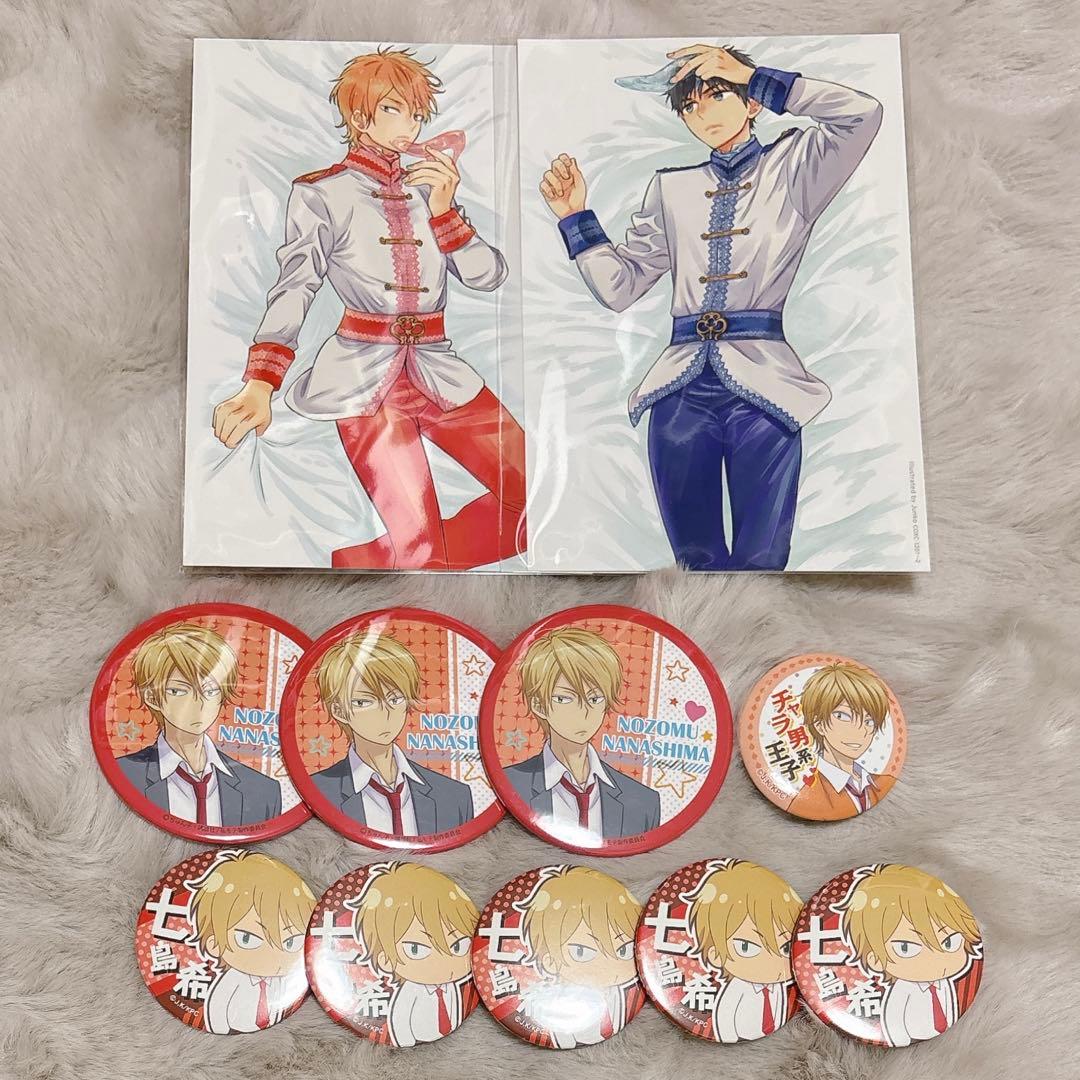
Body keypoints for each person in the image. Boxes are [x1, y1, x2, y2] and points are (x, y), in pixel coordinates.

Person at [541, 44, 883, 570]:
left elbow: (863, 114)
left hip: (767, 389)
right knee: (694, 562)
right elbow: (620, 288)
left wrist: (754, 75)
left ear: (752, 102)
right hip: (678, 393)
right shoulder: (671, 188)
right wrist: (575, 218)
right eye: (689, 105)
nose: (703, 113)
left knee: (763, 559)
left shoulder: (795, 168)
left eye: (718, 94)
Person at [212, 48, 526, 570]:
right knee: (421, 553)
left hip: (441, 371)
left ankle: (360, 562)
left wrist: (445, 212)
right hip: (362, 382)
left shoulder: (430, 189)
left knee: (536, 505)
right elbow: (296, 285)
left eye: (417, 114)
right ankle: (406, 554)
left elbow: (487, 276)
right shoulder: (321, 193)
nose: (410, 127)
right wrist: (260, 382)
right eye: (394, 110)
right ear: (359, 116)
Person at [116, 622, 281, 826]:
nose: (198, 704)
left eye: (210, 690)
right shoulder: (123, 775)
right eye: (178, 691)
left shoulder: (263, 791)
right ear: (152, 697)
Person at [310, 631, 474, 835]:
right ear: (339, 711)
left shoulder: (454, 796)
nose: (385, 713)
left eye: (395, 699)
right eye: (363, 702)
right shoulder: (315, 791)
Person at [503, 626, 660, 839]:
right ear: (539, 705)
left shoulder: (644, 801)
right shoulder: (509, 784)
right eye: (564, 698)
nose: (583, 712)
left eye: (595, 698)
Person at [835, 864, 982, 1047]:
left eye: (949, 942)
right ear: (875, 959)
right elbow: (893, 1024)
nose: (936, 958)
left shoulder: (944, 983)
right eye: (906, 948)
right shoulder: (902, 991)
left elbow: (950, 1009)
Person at [345, 862, 478, 1046]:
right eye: (416, 949)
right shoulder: (409, 992)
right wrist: (405, 1041)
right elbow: (400, 1024)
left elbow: (455, 1010)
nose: (444, 960)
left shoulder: (452, 988)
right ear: (385, 960)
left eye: (458, 946)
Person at [187, 851, 315, 1033]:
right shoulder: (232, 980)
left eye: (290, 942)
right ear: (213, 944)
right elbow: (216, 1009)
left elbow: (280, 1005)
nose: (272, 955)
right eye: (247, 939)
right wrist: (221, 1028)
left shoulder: (284, 983)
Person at [517, 866, 644, 1048]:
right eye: (581, 952)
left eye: (622, 950)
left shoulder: (627, 996)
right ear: (549, 961)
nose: (609, 964)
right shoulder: (543, 1005)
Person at [683, 860, 800, 1041]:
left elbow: (779, 1010)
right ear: (715, 955)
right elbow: (725, 1023)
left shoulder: (778, 988)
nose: (770, 960)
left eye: (785, 947)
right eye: (746, 947)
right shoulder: (736, 990)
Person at [788, 662, 894, 819]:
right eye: (842, 716)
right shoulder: (808, 797)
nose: (860, 731)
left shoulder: (884, 782)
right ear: (818, 724)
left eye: (869, 721)